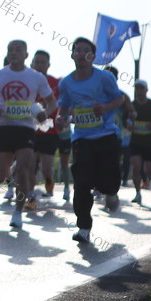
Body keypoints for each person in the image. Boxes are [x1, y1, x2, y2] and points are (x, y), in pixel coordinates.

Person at [55, 38, 124, 243]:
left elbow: (119, 99)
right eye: (77, 50)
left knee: (109, 182)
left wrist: (105, 107)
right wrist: (60, 118)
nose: (81, 54)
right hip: (82, 139)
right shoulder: (66, 83)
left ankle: (111, 193)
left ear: (92, 56)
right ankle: (83, 227)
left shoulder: (104, 77)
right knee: (81, 183)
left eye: (86, 51)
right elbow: (64, 107)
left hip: (106, 136)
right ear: (72, 55)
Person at [0, 40, 55, 229]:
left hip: (26, 129)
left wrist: (45, 113)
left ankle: (18, 212)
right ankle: (11, 169)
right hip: (4, 128)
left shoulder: (36, 77)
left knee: (23, 170)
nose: (14, 53)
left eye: (18, 50)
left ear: (26, 55)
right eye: (10, 50)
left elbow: (52, 102)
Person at [30, 49, 65, 201]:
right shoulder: (27, 81)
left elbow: (61, 104)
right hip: (30, 130)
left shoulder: (56, 83)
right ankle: (29, 194)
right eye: (37, 62)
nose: (39, 65)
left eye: (42, 62)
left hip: (50, 131)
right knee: (30, 165)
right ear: (32, 63)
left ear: (48, 64)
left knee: (46, 168)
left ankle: (49, 188)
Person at [129, 80, 151, 206]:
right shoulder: (131, 105)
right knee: (136, 167)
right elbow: (124, 117)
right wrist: (128, 124)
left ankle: (149, 176)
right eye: (137, 88)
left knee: (149, 170)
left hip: (149, 143)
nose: (139, 91)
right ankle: (137, 193)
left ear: (146, 90)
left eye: (141, 88)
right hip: (135, 142)